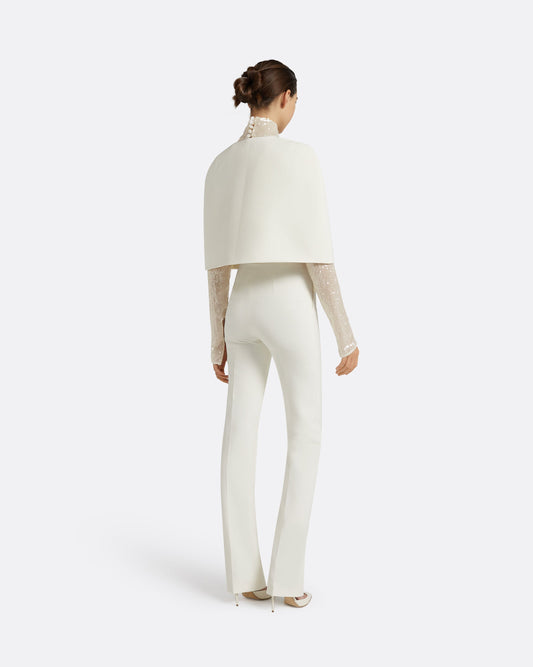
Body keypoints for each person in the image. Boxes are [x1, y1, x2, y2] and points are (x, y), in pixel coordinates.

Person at [204, 60, 359, 612]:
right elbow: (318, 259)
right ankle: (288, 579)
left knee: (238, 437)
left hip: (243, 306)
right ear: (286, 98)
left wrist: (218, 337)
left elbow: (217, 268)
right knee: (305, 433)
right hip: (289, 303)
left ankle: (245, 577)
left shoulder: (220, 166)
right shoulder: (300, 157)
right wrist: (345, 334)